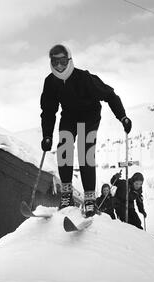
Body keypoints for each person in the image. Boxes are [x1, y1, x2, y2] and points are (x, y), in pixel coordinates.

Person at [40, 44, 132, 217]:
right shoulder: (51, 82)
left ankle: (90, 199)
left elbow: (110, 96)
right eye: (55, 62)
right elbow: (48, 111)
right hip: (69, 115)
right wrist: (46, 135)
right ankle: (67, 195)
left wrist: (122, 117)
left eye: (62, 61)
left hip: (89, 115)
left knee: (85, 151)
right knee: (64, 148)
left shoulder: (85, 78)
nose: (59, 66)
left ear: (69, 60)